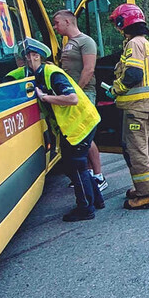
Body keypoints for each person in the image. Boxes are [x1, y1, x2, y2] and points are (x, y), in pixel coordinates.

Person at [20, 37, 105, 221]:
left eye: (26, 58)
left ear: (35, 56)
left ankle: (86, 208)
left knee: (75, 166)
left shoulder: (51, 73)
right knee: (75, 164)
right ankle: (97, 199)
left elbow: (72, 98)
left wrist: (45, 98)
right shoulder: (40, 74)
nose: (24, 62)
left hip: (80, 125)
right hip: (79, 124)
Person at [108, 3, 149, 210]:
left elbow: (133, 74)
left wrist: (116, 89)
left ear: (125, 21)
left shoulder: (133, 45)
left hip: (137, 108)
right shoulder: (144, 43)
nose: (117, 27)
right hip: (147, 105)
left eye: (118, 23)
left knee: (136, 150)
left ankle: (146, 193)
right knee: (147, 147)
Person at [52, 10, 107, 191]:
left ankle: (99, 177)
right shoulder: (68, 44)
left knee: (86, 135)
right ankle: (87, 175)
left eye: (57, 23)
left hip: (84, 94)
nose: (55, 26)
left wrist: (78, 93)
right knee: (78, 135)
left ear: (68, 21)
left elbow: (89, 69)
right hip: (72, 97)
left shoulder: (86, 41)